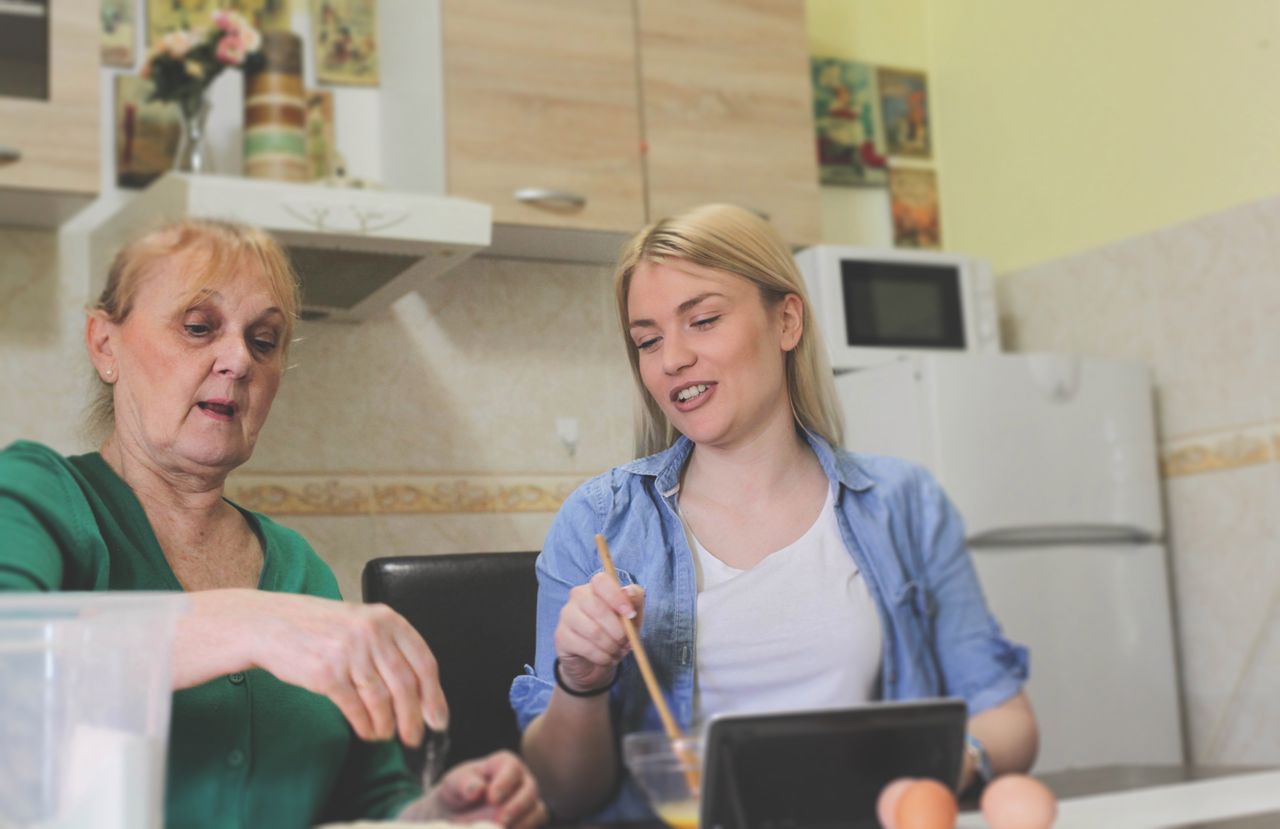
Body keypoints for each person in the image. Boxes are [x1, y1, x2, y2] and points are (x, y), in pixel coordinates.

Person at [0, 219, 547, 829]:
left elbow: (369, 798)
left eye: (264, 340)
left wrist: (430, 815)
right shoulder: (38, 494)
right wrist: (246, 623)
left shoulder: (297, 567)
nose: (236, 360)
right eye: (199, 326)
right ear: (105, 345)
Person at [512, 204, 1039, 821]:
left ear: (787, 320)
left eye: (702, 320)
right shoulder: (598, 522)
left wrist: (938, 772)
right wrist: (581, 678)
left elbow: (1007, 717)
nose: (671, 359)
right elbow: (562, 792)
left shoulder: (905, 505)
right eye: (648, 341)